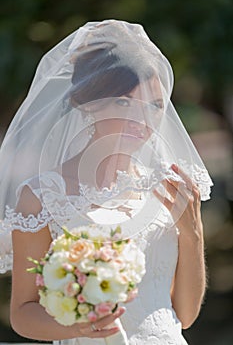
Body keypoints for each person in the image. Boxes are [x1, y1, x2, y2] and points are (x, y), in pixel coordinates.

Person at [0, 20, 213, 344]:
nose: (142, 119)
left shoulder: (171, 189)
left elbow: (184, 315)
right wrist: (79, 327)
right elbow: (22, 313)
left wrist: (193, 235)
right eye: (125, 102)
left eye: (154, 105)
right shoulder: (42, 196)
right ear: (87, 101)